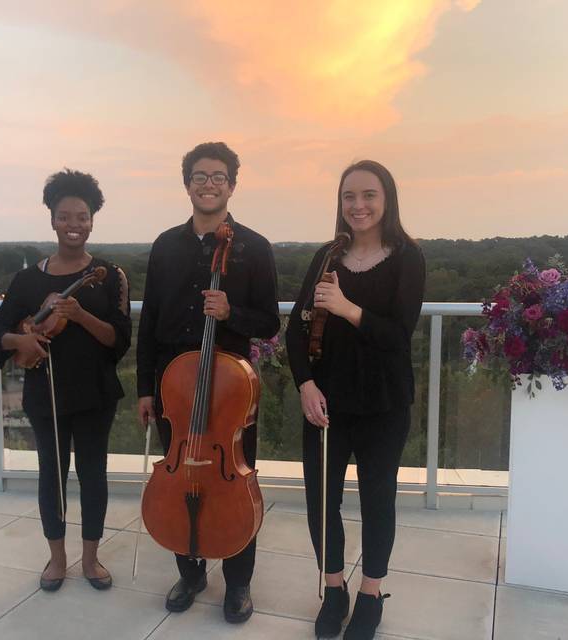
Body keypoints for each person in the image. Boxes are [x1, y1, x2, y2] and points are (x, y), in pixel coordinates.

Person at [136, 142, 280, 623]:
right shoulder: (164, 245)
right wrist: (144, 389)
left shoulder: (254, 247)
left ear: (232, 185)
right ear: (187, 184)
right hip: (174, 389)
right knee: (181, 481)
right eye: (199, 176)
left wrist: (231, 311)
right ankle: (191, 571)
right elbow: (150, 321)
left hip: (230, 395)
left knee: (233, 484)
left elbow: (269, 323)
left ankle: (237, 584)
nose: (208, 184)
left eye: (218, 176)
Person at [286, 160, 425, 639]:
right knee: (321, 503)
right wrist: (305, 383)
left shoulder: (408, 258)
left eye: (369, 195)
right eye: (349, 196)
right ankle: (334, 589)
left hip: (384, 405)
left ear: (387, 200)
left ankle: (370, 593)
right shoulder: (327, 255)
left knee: (376, 501)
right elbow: (295, 330)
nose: (358, 205)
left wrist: (345, 308)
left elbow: (397, 336)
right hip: (325, 403)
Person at [0, 169, 131, 593]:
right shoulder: (28, 280)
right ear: (52, 219)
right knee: (51, 474)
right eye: (65, 216)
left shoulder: (110, 276)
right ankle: (57, 559)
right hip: (45, 393)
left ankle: (90, 559)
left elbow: (118, 341)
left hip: (95, 393)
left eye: (82, 217)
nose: (74, 225)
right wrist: (22, 340)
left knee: (93, 475)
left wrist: (80, 314)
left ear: (92, 220)